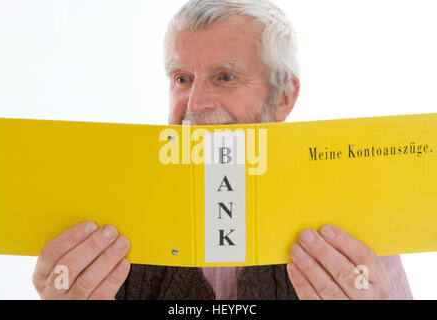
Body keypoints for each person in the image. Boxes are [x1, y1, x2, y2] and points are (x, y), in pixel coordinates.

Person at [32, 0, 413, 300]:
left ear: (284, 96)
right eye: (182, 78)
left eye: (225, 77)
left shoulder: (352, 223)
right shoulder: (104, 214)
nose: (196, 104)